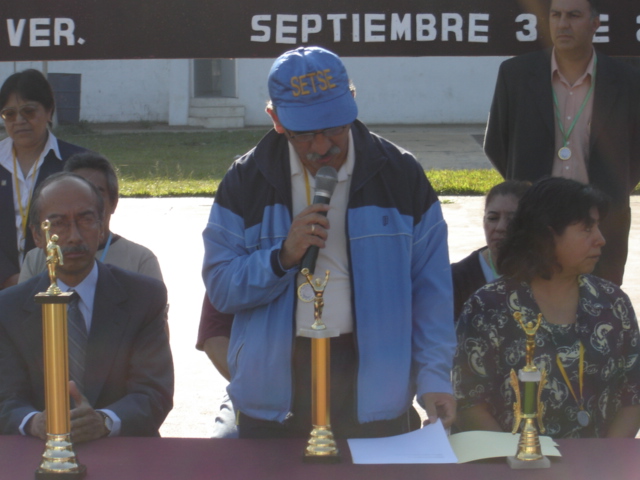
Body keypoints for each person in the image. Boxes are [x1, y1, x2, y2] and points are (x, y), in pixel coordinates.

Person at [202, 46, 456, 439]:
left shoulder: (400, 175)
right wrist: (281, 258)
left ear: (352, 101)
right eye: (305, 134)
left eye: (335, 128)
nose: (322, 147)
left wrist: (435, 376)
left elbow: (432, 291)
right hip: (275, 392)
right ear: (276, 119)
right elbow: (221, 286)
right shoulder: (245, 181)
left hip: (376, 387)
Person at [453, 177, 640, 438]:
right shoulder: (488, 307)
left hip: (602, 460)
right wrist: (517, 456)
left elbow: (633, 393)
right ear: (546, 235)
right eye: (587, 229)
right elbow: (469, 403)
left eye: (598, 227)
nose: (600, 239)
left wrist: (606, 456)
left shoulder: (612, 303)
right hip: (513, 460)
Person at [0, 172, 174, 442]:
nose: (74, 236)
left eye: (85, 220)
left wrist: (104, 421)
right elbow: (6, 398)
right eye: (58, 223)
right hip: (38, 452)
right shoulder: (8, 308)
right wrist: (34, 422)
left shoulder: (143, 297)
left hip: (122, 451)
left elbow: (154, 393)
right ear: (37, 235)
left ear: (102, 227)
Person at [483, 0, 640, 286]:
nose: (563, 24)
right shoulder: (515, 74)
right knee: (530, 301)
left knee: (598, 305)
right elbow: (497, 143)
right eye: (556, 15)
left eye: (574, 15)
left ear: (595, 24)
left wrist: (610, 189)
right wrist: (529, 191)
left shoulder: (627, 80)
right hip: (532, 219)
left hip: (601, 221)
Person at [18, 151, 163, 283]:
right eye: (76, 192)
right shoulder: (36, 259)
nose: (86, 200)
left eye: (97, 192)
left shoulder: (140, 260)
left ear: (113, 202)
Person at [0, 69, 87, 290]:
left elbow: (87, 227)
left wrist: (42, 279)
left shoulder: (76, 163)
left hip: (62, 283)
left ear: (49, 111)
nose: (19, 120)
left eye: (28, 111)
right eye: (9, 114)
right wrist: (8, 278)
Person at [451, 180, 530, 320]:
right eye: (493, 218)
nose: (500, 227)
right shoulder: (457, 279)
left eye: (512, 219)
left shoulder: (548, 274)